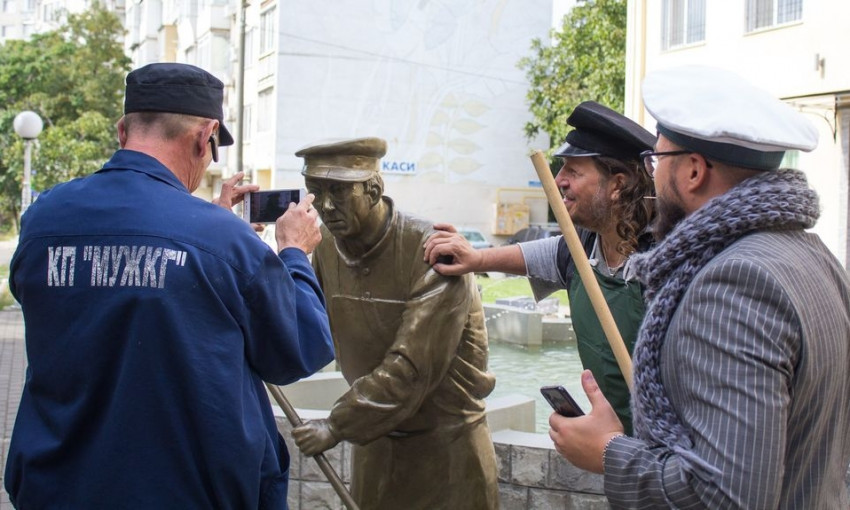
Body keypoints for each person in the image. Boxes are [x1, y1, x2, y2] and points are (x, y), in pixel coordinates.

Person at [4, 62, 335, 508]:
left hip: (58, 485)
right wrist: (293, 252)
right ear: (205, 136)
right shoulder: (220, 239)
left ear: (123, 131)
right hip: (186, 491)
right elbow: (301, 347)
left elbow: (116, 295)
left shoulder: (44, 219)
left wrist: (215, 229)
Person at [549, 65, 850, 508]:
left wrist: (610, 451)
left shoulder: (731, 285)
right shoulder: (814, 256)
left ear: (692, 171)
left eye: (657, 159)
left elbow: (726, 495)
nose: (650, 175)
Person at [290, 137, 499, 509]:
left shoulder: (431, 250)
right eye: (315, 192)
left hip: (446, 453)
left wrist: (337, 425)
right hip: (375, 445)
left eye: (337, 191)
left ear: (373, 188)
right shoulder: (325, 250)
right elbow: (306, 334)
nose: (325, 206)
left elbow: (412, 367)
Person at [424, 101, 655, 435]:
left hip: (664, 452)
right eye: (561, 169)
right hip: (616, 444)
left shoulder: (663, 263)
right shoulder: (583, 248)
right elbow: (539, 254)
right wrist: (475, 259)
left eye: (574, 172)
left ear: (617, 185)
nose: (559, 180)